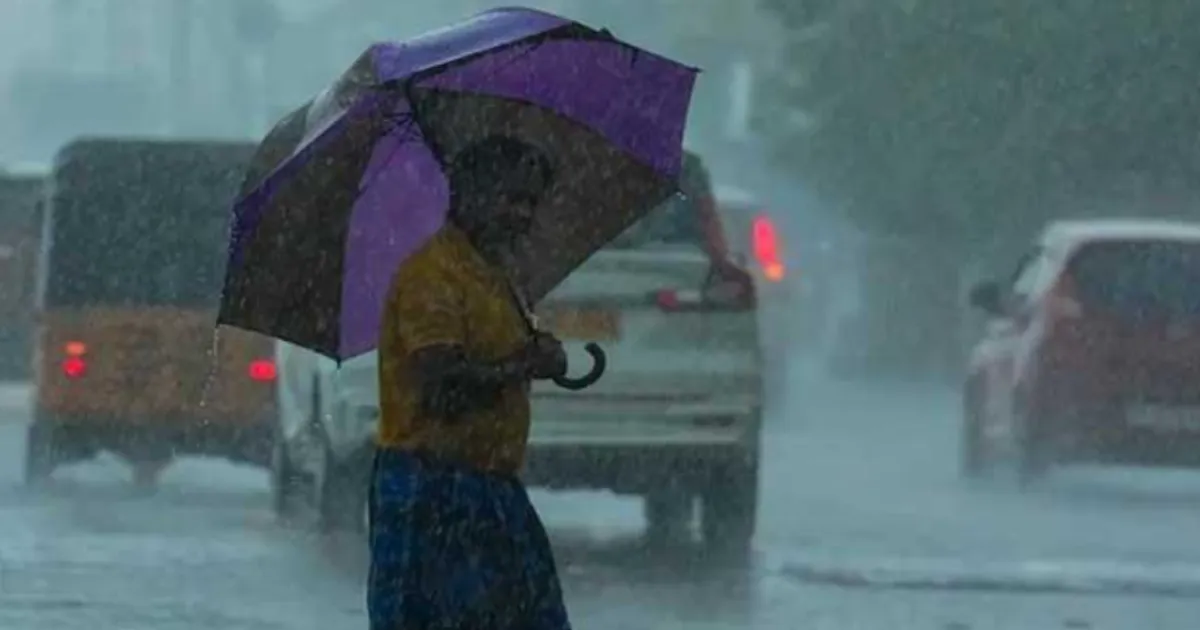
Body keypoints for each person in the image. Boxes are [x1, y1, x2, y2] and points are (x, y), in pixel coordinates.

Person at [368, 135, 573, 630]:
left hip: (492, 487)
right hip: (432, 489)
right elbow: (440, 386)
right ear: (470, 193)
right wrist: (523, 364)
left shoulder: (493, 274)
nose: (524, 215)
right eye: (512, 199)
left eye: (532, 202)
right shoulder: (431, 275)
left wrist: (537, 353)